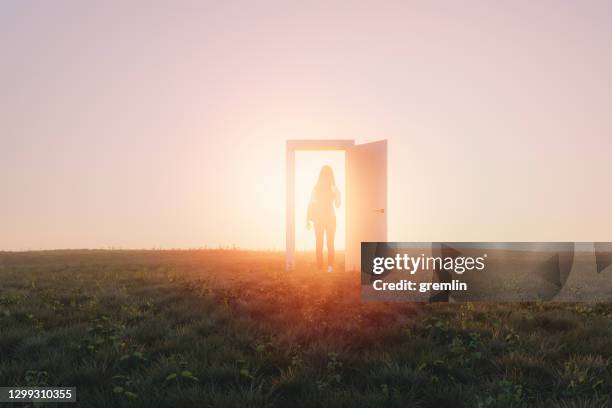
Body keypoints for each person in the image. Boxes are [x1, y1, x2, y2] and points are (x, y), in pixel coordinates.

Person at [307, 165, 341, 272]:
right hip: (330, 218)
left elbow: (311, 204)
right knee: (330, 243)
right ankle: (329, 268)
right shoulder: (333, 187)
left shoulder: (316, 188)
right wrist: (338, 195)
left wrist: (307, 219)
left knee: (319, 243)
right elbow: (338, 205)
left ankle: (320, 267)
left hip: (320, 218)